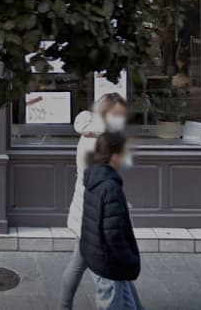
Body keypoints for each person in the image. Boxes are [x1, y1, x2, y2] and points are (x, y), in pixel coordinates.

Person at [59, 93, 128, 310]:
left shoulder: (94, 134)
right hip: (92, 213)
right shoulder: (97, 141)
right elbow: (99, 182)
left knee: (101, 265)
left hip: (88, 208)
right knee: (94, 267)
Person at [80, 132, 143, 310]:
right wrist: (128, 260)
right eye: (125, 153)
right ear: (114, 156)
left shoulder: (94, 175)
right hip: (109, 263)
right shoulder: (110, 186)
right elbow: (113, 233)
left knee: (129, 304)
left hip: (97, 255)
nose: (126, 158)